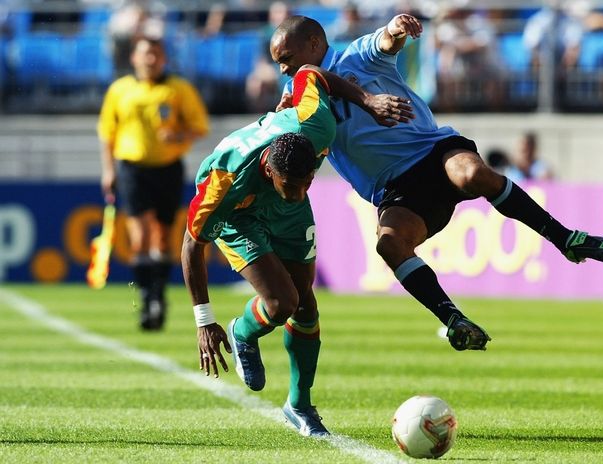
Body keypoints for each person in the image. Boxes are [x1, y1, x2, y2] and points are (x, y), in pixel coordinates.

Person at [271, 15, 603, 352]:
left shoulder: (356, 56)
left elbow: (386, 41)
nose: (283, 69)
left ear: (314, 43)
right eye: (278, 62)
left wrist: (398, 26)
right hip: (396, 189)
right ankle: (454, 320)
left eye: (286, 58)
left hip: (431, 151)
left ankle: (565, 239)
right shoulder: (298, 97)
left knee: (472, 175)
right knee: (390, 245)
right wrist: (284, 119)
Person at [182, 65, 412, 437]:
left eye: (307, 183)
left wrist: (367, 100)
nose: (301, 192)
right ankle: (243, 332)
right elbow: (192, 245)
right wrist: (204, 321)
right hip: (241, 214)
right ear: (269, 171)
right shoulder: (224, 183)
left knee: (305, 303)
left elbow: (310, 74)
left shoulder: (317, 126)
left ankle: (299, 405)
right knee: (281, 304)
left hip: (288, 215)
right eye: (291, 184)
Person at [98, 36, 209, 331]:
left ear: (164, 59)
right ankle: (146, 297)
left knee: (162, 237)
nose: (150, 59)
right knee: (139, 237)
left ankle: (159, 294)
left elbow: (199, 126)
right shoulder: (120, 90)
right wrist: (108, 171)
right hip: (132, 168)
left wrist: (178, 136)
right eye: (145, 54)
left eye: (156, 54)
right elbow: (107, 133)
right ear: (134, 58)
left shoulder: (178, 89)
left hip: (167, 168)